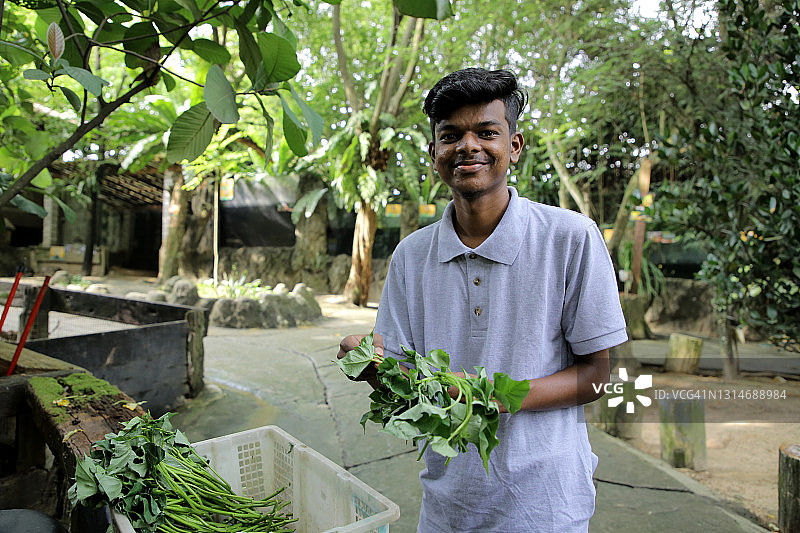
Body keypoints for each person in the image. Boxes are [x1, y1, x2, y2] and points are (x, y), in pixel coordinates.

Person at [337, 68, 627, 532]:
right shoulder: (412, 256)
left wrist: (484, 394)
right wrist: (375, 368)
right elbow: (407, 388)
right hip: (446, 508)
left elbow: (594, 379)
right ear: (435, 153)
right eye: (451, 135)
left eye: (486, 132)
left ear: (513, 146)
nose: (468, 146)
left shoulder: (571, 239)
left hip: (546, 507)